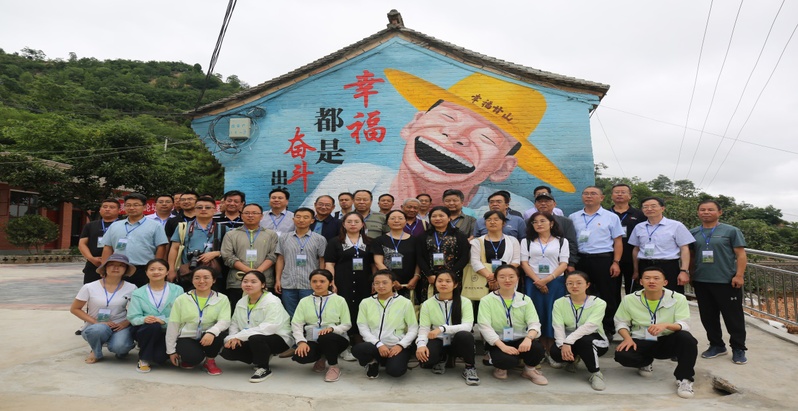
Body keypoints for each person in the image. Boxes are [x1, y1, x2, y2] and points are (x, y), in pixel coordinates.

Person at [302, 69, 574, 218]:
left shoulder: (512, 208)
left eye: (486, 137)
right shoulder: (355, 179)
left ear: (503, 168)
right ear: (413, 124)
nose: (456, 135)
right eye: (448, 116)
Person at [614, 267, 698, 399]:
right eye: (647, 278)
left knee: (687, 339)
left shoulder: (678, 298)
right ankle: (645, 362)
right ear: (641, 282)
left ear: (665, 282)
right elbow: (621, 322)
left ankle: (684, 379)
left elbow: (684, 324)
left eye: (656, 278)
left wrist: (666, 325)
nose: (651, 281)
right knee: (622, 354)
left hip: (667, 338)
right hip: (641, 338)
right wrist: (627, 338)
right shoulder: (630, 299)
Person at [689, 200, 748, 364]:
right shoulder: (693, 232)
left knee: (733, 317)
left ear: (719, 212)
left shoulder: (731, 231)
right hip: (701, 280)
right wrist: (691, 275)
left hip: (726, 281)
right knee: (708, 316)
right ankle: (716, 345)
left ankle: (738, 348)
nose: (706, 212)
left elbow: (741, 254)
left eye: (710, 209)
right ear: (698, 212)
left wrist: (739, 275)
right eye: (702, 209)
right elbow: (691, 256)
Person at [477, 265, 547, 384]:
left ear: (517, 278)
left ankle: (529, 370)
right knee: (506, 361)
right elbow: (485, 327)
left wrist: (528, 339)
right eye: (502, 277)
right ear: (496, 279)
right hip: (499, 340)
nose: (507, 280)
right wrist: (503, 346)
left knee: (537, 348)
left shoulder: (525, 299)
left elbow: (534, 323)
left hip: (521, 339)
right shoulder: (486, 300)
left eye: (511, 276)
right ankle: (500, 366)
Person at [569, 186, 624, 338]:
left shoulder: (611, 217)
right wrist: (571, 263)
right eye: (586, 193)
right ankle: (582, 326)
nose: (589, 196)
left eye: (593, 193)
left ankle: (607, 327)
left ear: (601, 198)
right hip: (580, 259)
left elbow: (618, 241)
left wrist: (616, 262)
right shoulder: (573, 217)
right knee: (581, 293)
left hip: (603, 259)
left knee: (607, 294)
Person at [220, 270, 293, 382]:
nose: (248, 284)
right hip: (250, 337)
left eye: (253, 282)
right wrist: (232, 338)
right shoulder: (242, 302)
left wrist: (239, 336)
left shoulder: (272, 301)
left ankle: (263, 368)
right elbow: (234, 323)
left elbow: (270, 327)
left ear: (263, 285)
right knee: (228, 351)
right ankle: (261, 356)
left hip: (278, 338)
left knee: (256, 338)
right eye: (245, 281)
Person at [520, 211, 569, 363]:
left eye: (542, 221)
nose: (539, 224)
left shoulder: (562, 241)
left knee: (553, 314)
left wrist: (547, 279)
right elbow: (524, 263)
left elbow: (564, 264)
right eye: (535, 222)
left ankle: (552, 350)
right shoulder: (527, 241)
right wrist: (538, 281)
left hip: (555, 282)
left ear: (551, 223)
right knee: (536, 313)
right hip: (533, 282)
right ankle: (539, 350)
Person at [70, 253, 137, 364]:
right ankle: (95, 351)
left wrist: (125, 323)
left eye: (121, 265)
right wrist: (96, 322)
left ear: (126, 269)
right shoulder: (89, 287)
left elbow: (137, 310)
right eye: (112, 264)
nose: (116, 268)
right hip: (95, 326)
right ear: (105, 268)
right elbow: (75, 309)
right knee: (98, 329)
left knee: (120, 347)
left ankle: (121, 347)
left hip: (119, 325)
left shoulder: (131, 288)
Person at [416, 270, 480, 386]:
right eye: (440, 281)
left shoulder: (465, 302)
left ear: (455, 284)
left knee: (465, 335)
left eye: (448, 281)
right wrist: (421, 345)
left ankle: (469, 367)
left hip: (457, 340)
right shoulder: (427, 304)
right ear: (435, 283)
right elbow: (424, 328)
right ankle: (443, 357)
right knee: (427, 359)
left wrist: (442, 329)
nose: (443, 284)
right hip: (439, 339)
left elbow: (467, 326)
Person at [352, 270, 419, 379]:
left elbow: (413, 328)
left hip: (396, 346)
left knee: (395, 371)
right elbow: (363, 327)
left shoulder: (404, 302)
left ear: (393, 283)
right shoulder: (366, 302)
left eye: (385, 282)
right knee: (358, 349)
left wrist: (401, 345)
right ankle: (372, 362)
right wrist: (379, 344)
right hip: (375, 346)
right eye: (377, 283)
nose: (380, 286)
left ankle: (391, 361)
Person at [166, 266, 231, 375]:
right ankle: (191, 358)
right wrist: (171, 351)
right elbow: (173, 324)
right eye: (197, 278)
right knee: (193, 358)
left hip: (209, 336)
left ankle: (210, 361)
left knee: (219, 334)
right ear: (192, 280)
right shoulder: (182, 299)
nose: (201, 281)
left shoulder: (222, 298)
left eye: (206, 278)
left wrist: (212, 332)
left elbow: (224, 321)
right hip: (187, 336)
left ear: (214, 280)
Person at [550, 271, 609, 391]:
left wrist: (568, 342)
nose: (574, 286)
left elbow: (590, 326)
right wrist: (562, 345)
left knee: (584, 341)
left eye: (579, 283)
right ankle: (573, 360)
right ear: (566, 285)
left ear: (587, 285)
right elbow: (558, 325)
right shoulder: (559, 303)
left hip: (595, 339)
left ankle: (596, 374)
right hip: (570, 340)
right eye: (570, 283)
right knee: (556, 352)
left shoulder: (599, 303)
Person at [291, 269, 352, 382]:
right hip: (313, 339)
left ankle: (333, 366)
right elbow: (296, 324)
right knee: (300, 356)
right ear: (310, 283)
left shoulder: (339, 300)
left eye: (322, 281)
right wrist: (301, 341)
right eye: (314, 281)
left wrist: (332, 329)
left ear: (330, 283)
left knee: (326, 337)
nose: (318, 284)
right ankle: (322, 357)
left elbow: (347, 324)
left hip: (336, 339)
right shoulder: (304, 301)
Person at [127, 258, 184, 373]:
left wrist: (164, 321)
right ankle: (144, 359)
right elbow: (133, 317)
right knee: (153, 326)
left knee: (160, 358)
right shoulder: (138, 293)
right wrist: (144, 319)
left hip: (168, 331)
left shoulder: (177, 290)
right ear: (146, 272)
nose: (156, 272)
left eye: (160, 269)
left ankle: (153, 350)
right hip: (145, 330)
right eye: (152, 269)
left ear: (167, 272)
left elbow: (182, 314)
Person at [629, 197, 695, 295]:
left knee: (671, 295)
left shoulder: (676, 225)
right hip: (645, 265)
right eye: (645, 207)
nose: (649, 209)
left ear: (662, 208)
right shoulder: (639, 227)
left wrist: (684, 271)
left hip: (668, 266)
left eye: (653, 206)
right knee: (646, 295)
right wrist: (636, 271)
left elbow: (684, 248)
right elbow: (636, 249)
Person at [101, 193, 168, 287]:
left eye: (136, 205)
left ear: (144, 207)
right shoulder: (115, 225)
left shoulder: (155, 225)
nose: (131, 208)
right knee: (118, 293)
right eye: (128, 205)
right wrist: (104, 267)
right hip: (119, 267)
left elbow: (161, 247)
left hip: (144, 268)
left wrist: (156, 267)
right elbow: (108, 247)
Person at [325, 212, 374, 338]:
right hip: (343, 281)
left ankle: (361, 336)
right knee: (344, 307)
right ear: (343, 224)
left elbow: (373, 264)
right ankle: (345, 337)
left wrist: (375, 281)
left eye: (356, 222)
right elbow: (330, 264)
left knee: (363, 307)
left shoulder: (370, 242)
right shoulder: (335, 242)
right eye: (349, 222)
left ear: (362, 224)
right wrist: (332, 282)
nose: (353, 224)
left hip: (365, 281)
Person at [220, 203, 279, 303]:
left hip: (264, 280)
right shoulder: (231, 234)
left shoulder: (271, 235)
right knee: (238, 310)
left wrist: (258, 272)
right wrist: (249, 271)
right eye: (247, 213)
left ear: (261, 216)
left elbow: (273, 256)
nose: (250, 215)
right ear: (241, 215)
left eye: (254, 213)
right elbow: (227, 256)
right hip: (238, 281)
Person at [275, 207, 327, 316]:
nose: (301, 220)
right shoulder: (284, 238)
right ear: (293, 219)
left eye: (306, 217)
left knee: (310, 314)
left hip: (309, 284)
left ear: (312, 221)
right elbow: (280, 259)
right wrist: (278, 280)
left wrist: (321, 281)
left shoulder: (319, 239)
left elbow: (322, 261)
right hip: (288, 283)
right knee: (290, 314)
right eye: (298, 217)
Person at [167, 196, 223, 290]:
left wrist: (216, 253)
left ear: (214, 210)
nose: (203, 210)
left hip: (214, 273)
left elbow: (230, 251)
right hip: (187, 272)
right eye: (199, 207)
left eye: (208, 207)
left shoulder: (223, 228)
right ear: (195, 210)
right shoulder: (183, 227)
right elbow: (174, 248)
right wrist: (171, 269)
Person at [469, 210, 521, 300]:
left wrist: (500, 276)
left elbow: (516, 261)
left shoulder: (512, 240)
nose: (492, 222)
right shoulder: (477, 242)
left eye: (496, 219)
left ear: (503, 223)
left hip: (507, 280)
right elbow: (475, 262)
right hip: (484, 281)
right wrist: (491, 277)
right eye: (489, 220)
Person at [417, 206, 471, 290]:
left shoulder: (459, 235)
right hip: (430, 278)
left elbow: (464, 257)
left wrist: (450, 275)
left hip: (453, 277)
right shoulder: (424, 236)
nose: (437, 218)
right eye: (434, 216)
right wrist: (428, 274)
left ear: (449, 218)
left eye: (441, 216)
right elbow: (420, 257)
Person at [373, 210, 421, 300]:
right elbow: (378, 262)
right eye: (392, 218)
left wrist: (416, 277)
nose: (396, 221)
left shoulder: (415, 240)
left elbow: (419, 261)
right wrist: (391, 280)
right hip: (387, 283)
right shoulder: (379, 240)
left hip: (411, 283)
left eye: (400, 218)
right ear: (387, 222)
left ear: (406, 221)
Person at [609, 184, 646, 294]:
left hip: (632, 256)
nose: (619, 194)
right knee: (612, 290)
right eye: (617, 192)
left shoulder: (640, 214)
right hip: (610, 256)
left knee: (633, 290)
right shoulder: (605, 214)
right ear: (611, 196)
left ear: (630, 196)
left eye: (623, 192)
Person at [533, 192, 579, 272]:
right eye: (540, 201)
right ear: (535, 205)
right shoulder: (529, 222)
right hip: (534, 266)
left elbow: (571, 243)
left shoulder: (565, 222)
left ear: (554, 204)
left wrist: (571, 263)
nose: (543, 203)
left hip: (560, 264)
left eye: (547, 201)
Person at [78, 198, 120, 285]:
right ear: (100, 210)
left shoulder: (123, 225)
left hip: (117, 264)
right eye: (105, 207)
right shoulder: (90, 225)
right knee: (91, 290)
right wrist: (92, 259)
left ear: (119, 210)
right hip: (93, 264)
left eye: (112, 207)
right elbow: (82, 244)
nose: (107, 209)